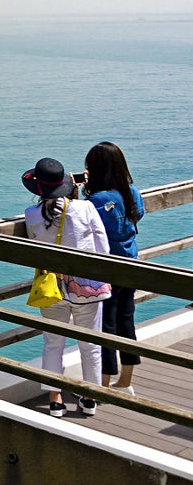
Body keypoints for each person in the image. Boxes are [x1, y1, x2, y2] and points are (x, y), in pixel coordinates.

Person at [23, 157, 110, 417]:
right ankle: (89, 398)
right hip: (87, 287)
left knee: (53, 343)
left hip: (52, 288)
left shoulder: (31, 215)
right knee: (90, 345)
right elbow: (103, 249)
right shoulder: (84, 209)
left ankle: (55, 399)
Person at [84, 141, 145, 395]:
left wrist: (83, 192)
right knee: (126, 320)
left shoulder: (95, 200)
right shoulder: (133, 191)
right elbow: (137, 215)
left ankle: (104, 385)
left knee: (105, 325)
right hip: (131, 263)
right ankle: (126, 382)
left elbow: (86, 225)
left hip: (107, 269)